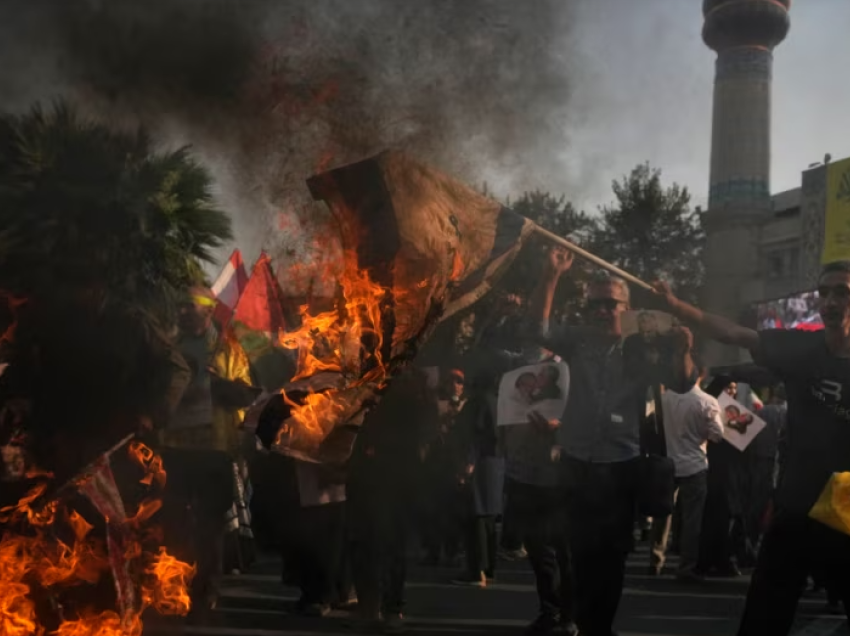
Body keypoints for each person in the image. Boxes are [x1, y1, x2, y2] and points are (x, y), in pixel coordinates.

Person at [653, 260, 850, 635]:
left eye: (842, 291)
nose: (830, 301)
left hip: (847, 507)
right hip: (797, 504)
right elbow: (733, 333)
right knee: (764, 618)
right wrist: (677, 306)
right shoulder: (799, 347)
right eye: (824, 292)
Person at [525, 246, 693, 636]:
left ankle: (600, 626)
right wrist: (550, 276)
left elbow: (684, 381)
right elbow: (538, 329)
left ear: (629, 309)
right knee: (579, 552)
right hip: (577, 461)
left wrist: (685, 350)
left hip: (622, 465)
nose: (601, 311)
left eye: (610, 304)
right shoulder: (579, 340)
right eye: (594, 305)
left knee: (613, 555)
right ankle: (584, 623)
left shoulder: (645, 346)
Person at [649, 365, 724, 581]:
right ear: (701, 374)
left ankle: (655, 560)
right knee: (693, 520)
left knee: (662, 515)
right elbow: (717, 435)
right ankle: (686, 566)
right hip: (695, 465)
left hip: (668, 464)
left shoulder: (665, 399)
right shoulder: (707, 401)